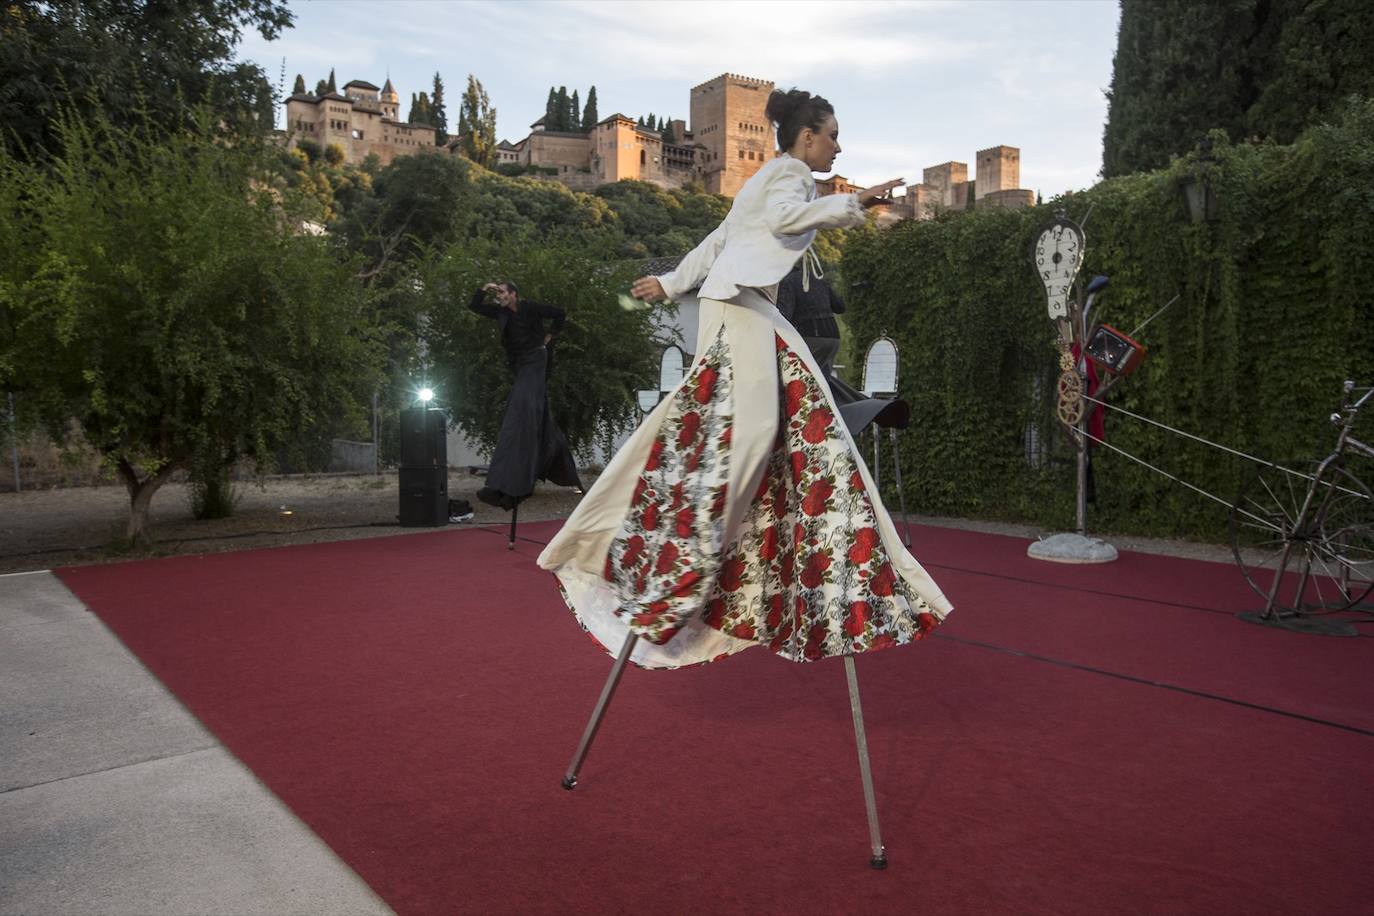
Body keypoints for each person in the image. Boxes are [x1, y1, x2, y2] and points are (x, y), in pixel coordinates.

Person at [538, 89, 952, 669]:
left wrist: (671, 280)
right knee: (749, 434)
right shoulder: (789, 177)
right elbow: (780, 222)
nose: (838, 145)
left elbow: (720, 238)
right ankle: (688, 558)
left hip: (739, 306)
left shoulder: (763, 180)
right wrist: (852, 202)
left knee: (743, 418)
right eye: (832, 135)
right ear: (807, 138)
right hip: (737, 307)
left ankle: (685, 543)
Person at [468, 280, 581, 511]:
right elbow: (475, 306)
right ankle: (510, 486)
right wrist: (484, 288)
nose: (499, 296)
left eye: (502, 292)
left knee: (520, 411)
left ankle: (510, 485)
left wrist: (551, 335)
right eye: (497, 292)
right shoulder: (500, 314)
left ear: (514, 294)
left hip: (537, 360)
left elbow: (560, 314)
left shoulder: (530, 307)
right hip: (521, 366)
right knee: (526, 414)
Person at [777, 260, 845, 380]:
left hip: (812, 336)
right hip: (833, 337)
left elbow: (784, 316)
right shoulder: (818, 279)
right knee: (824, 382)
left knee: (803, 379)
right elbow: (840, 307)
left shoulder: (787, 282)